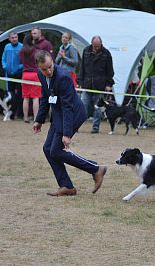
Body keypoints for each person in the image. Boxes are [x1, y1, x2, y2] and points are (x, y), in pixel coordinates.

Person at [33, 50, 107, 196]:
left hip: (72, 115)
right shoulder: (41, 74)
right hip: (59, 115)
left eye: (50, 66)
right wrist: (39, 120)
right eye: (44, 69)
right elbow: (45, 97)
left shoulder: (63, 77)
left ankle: (96, 169)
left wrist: (67, 134)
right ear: (38, 67)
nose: (48, 71)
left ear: (53, 62)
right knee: (48, 149)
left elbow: (68, 107)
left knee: (56, 150)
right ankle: (67, 186)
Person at [78, 35, 114, 134]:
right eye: (95, 46)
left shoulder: (106, 53)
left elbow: (110, 70)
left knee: (97, 108)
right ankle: (76, 125)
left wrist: (108, 84)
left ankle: (95, 127)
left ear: (101, 44)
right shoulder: (86, 51)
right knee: (82, 105)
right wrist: (80, 82)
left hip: (100, 85)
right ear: (92, 44)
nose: (96, 48)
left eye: (98, 46)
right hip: (87, 84)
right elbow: (82, 68)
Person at [19, 34, 41, 123]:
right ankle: (36, 117)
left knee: (26, 97)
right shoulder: (36, 51)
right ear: (32, 41)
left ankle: (25, 117)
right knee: (36, 97)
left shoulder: (21, 51)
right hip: (34, 74)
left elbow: (21, 61)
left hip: (25, 75)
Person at [1, 31, 23, 120]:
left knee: (20, 94)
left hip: (19, 74)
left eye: (16, 37)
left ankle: (20, 113)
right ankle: (11, 113)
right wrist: (4, 66)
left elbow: (25, 61)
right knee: (10, 94)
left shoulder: (21, 47)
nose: (14, 39)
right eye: (12, 37)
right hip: (9, 74)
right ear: (9, 39)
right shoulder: (7, 47)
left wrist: (19, 67)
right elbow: (3, 58)